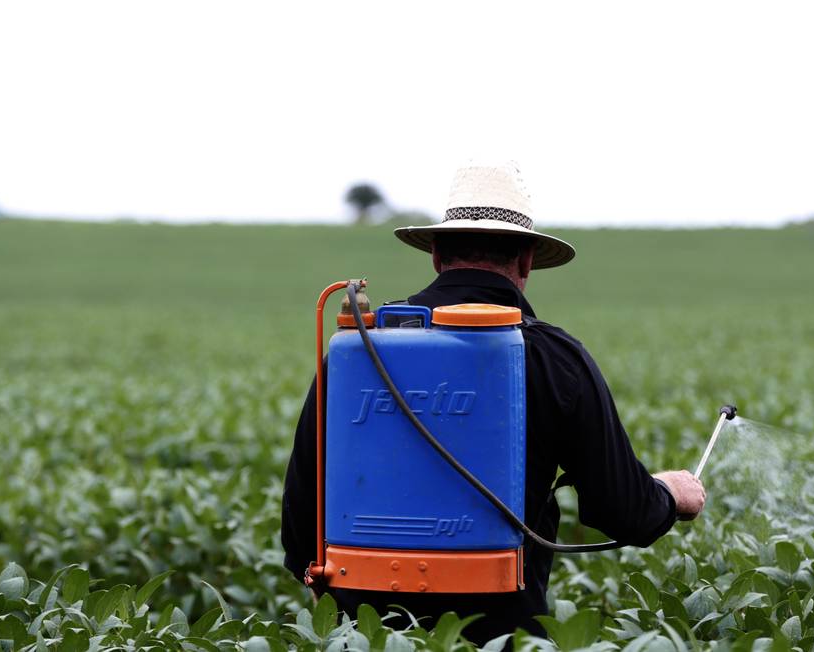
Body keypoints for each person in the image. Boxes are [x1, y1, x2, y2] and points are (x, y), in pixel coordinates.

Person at [281, 162, 706, 644]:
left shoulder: (358, 347)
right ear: (527, 261)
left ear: (437, 255)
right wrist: (670, 493)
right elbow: (624, 512)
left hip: (366, 636)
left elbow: (301, 520)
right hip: (502, 635)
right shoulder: (555, 357)